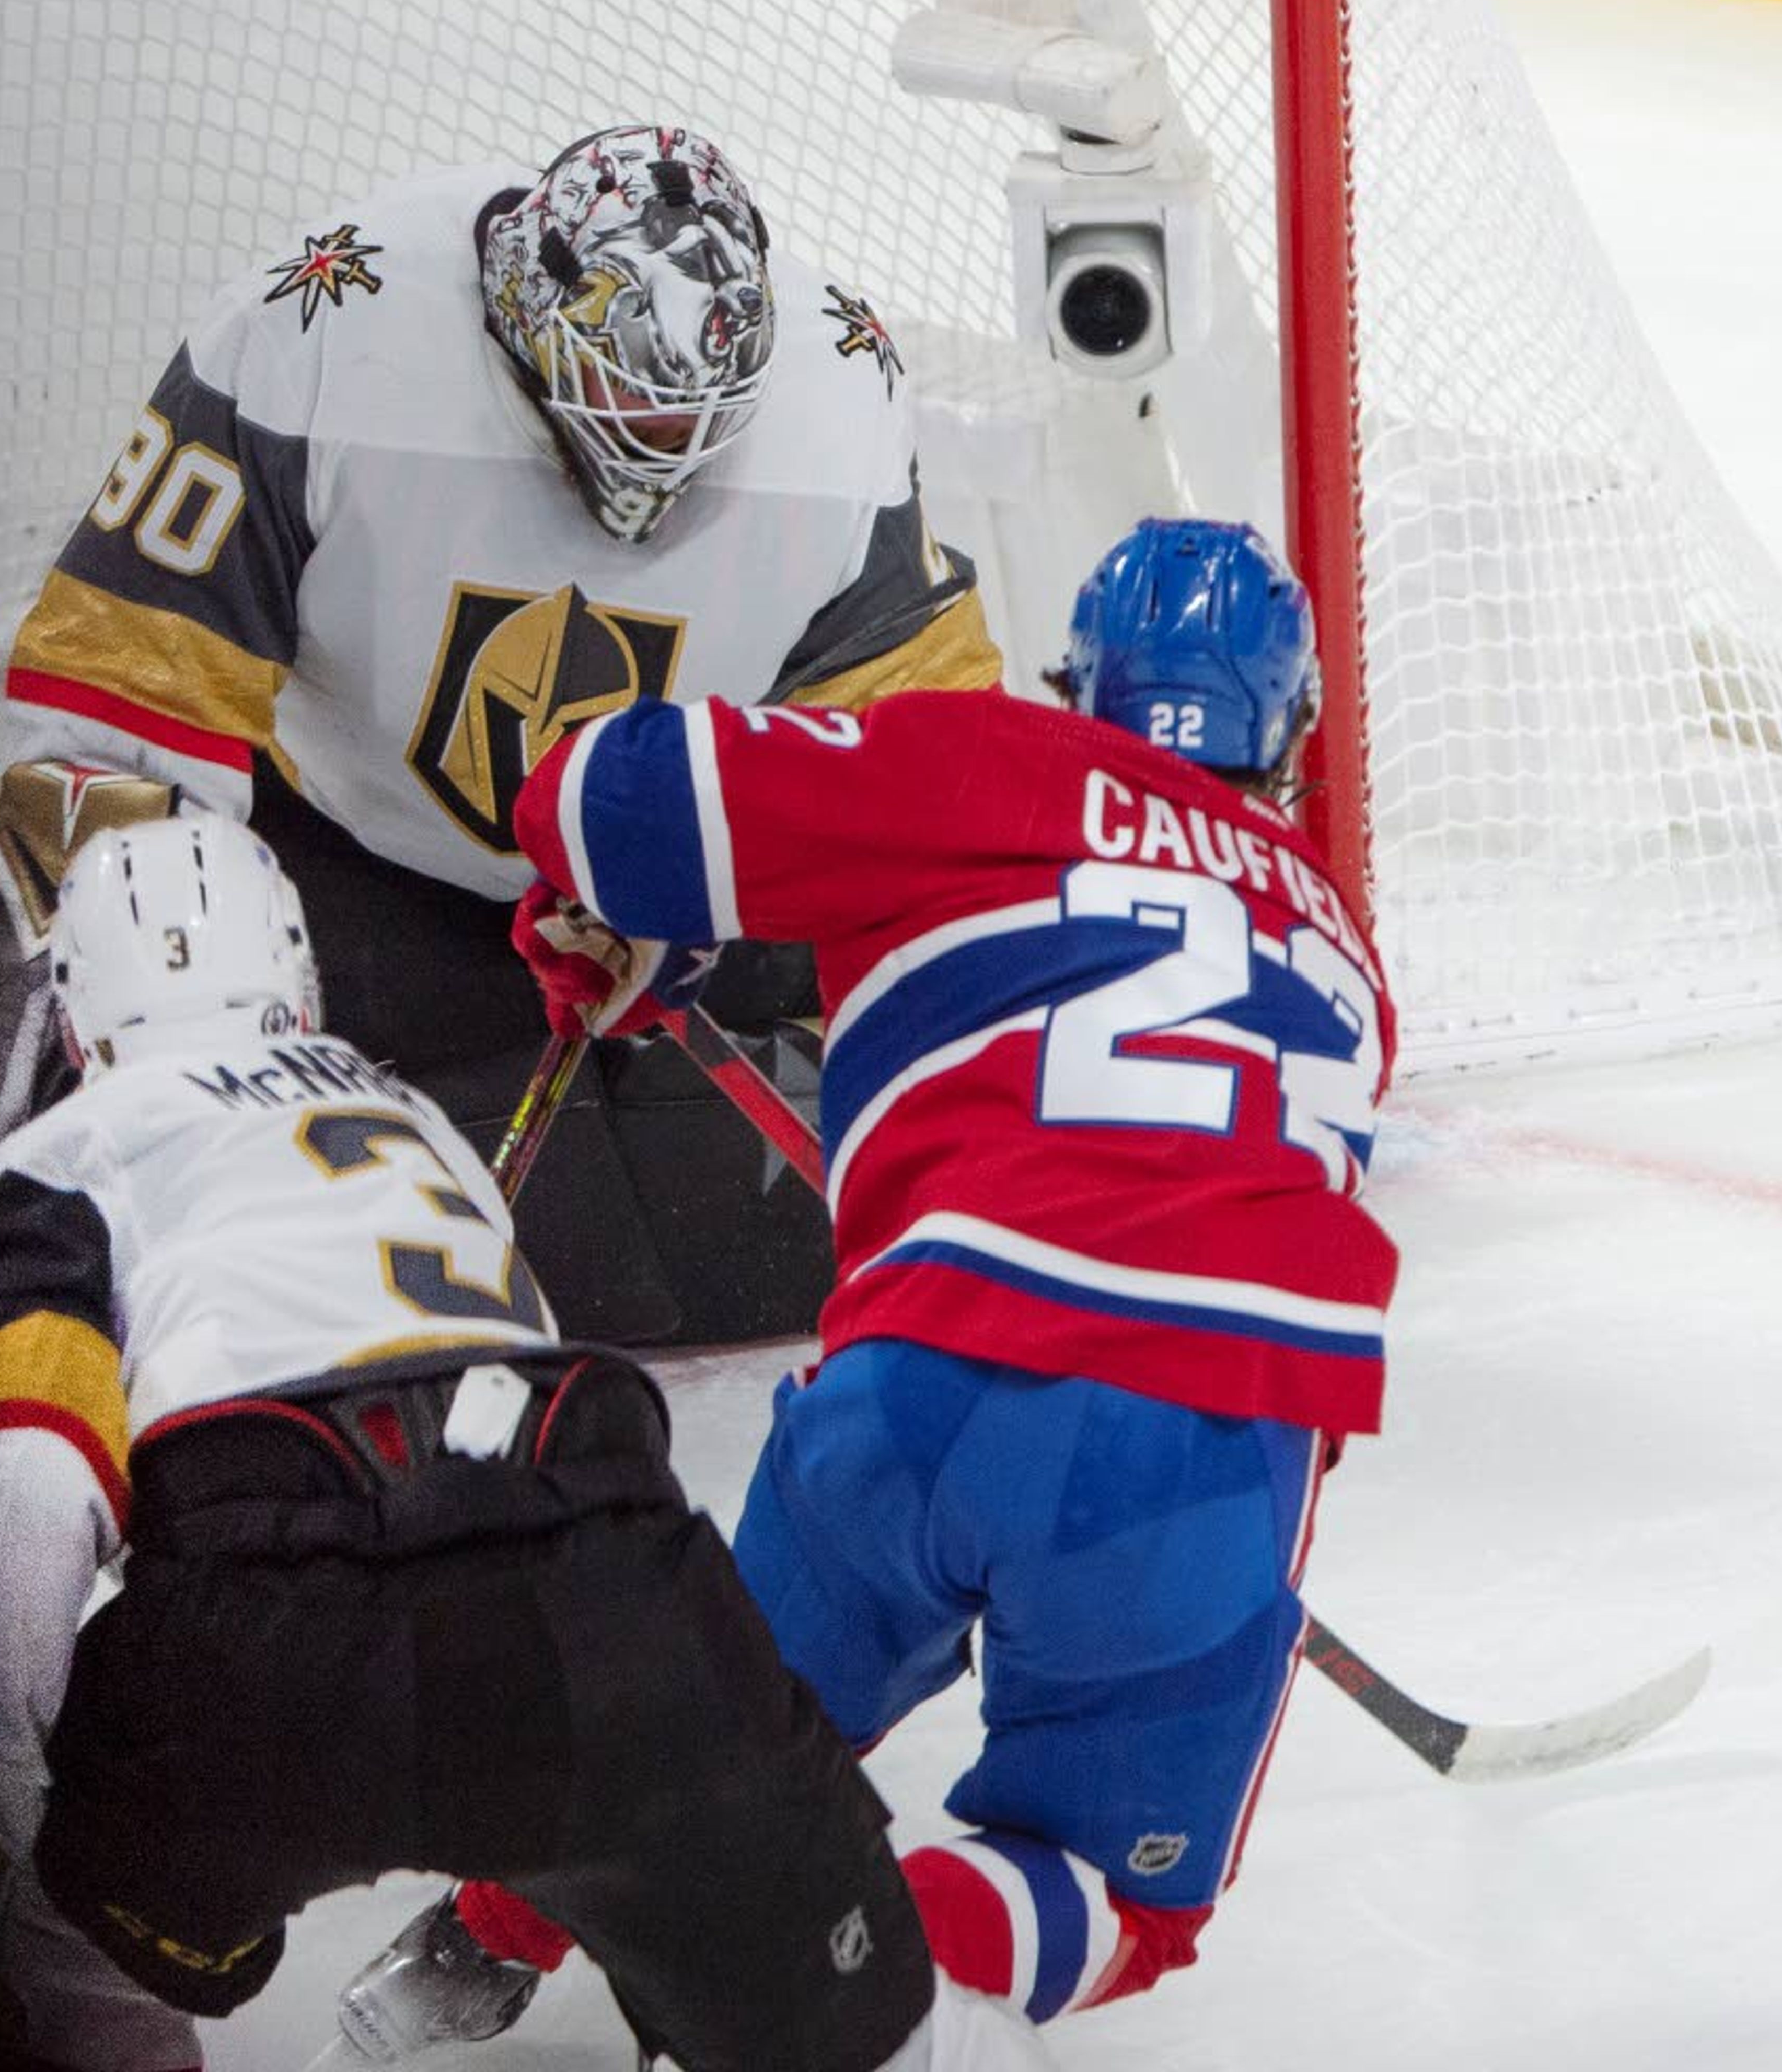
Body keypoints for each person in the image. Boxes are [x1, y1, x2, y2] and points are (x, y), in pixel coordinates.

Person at [379, 515, 1398, 2033]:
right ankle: (867, 1969)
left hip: (919, 1375)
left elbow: (603, 794)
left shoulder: (982, 757)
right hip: (1203, 1427)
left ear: (1082, 681)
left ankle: (463, 1955)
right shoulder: (1348, 954)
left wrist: (639, 923)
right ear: (1293, 727)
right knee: (1120, 1897)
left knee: (704, 1732)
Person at [0, 809, 1052, 2072]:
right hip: (614, 1603)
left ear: (71, 1012)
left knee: (73, 1948)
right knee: (871, 2036)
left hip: (272, 1639)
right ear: (298, 969)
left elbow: (24, 1482)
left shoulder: (42, 1164)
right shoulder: (420, 1126)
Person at [0, 124, 1002, 1343]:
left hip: (662, 889)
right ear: (530, 308)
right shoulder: (324, 329)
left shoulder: (841, 390)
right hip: (350, 865)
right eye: (636, 401)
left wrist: (708, 888)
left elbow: (927, 772)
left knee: (817, 1166)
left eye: (699, 416)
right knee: (113, 921)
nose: (668, 447)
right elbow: (122, 704)